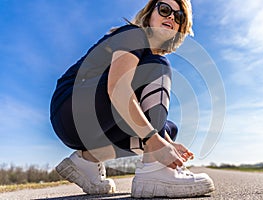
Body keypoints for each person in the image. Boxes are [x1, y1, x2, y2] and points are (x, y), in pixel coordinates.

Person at [50, 0, 215, 198]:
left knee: (168, 129)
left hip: (82, 125)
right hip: (70, 106)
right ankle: (154, 170)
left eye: (178, 16)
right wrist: (154, 143)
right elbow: (118, 89)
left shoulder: (146, 53)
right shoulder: (134, 34)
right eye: (165, 10)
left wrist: (165, 142)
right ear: (150, 13)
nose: (171, 17)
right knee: (157, 66)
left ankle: (86, 162)